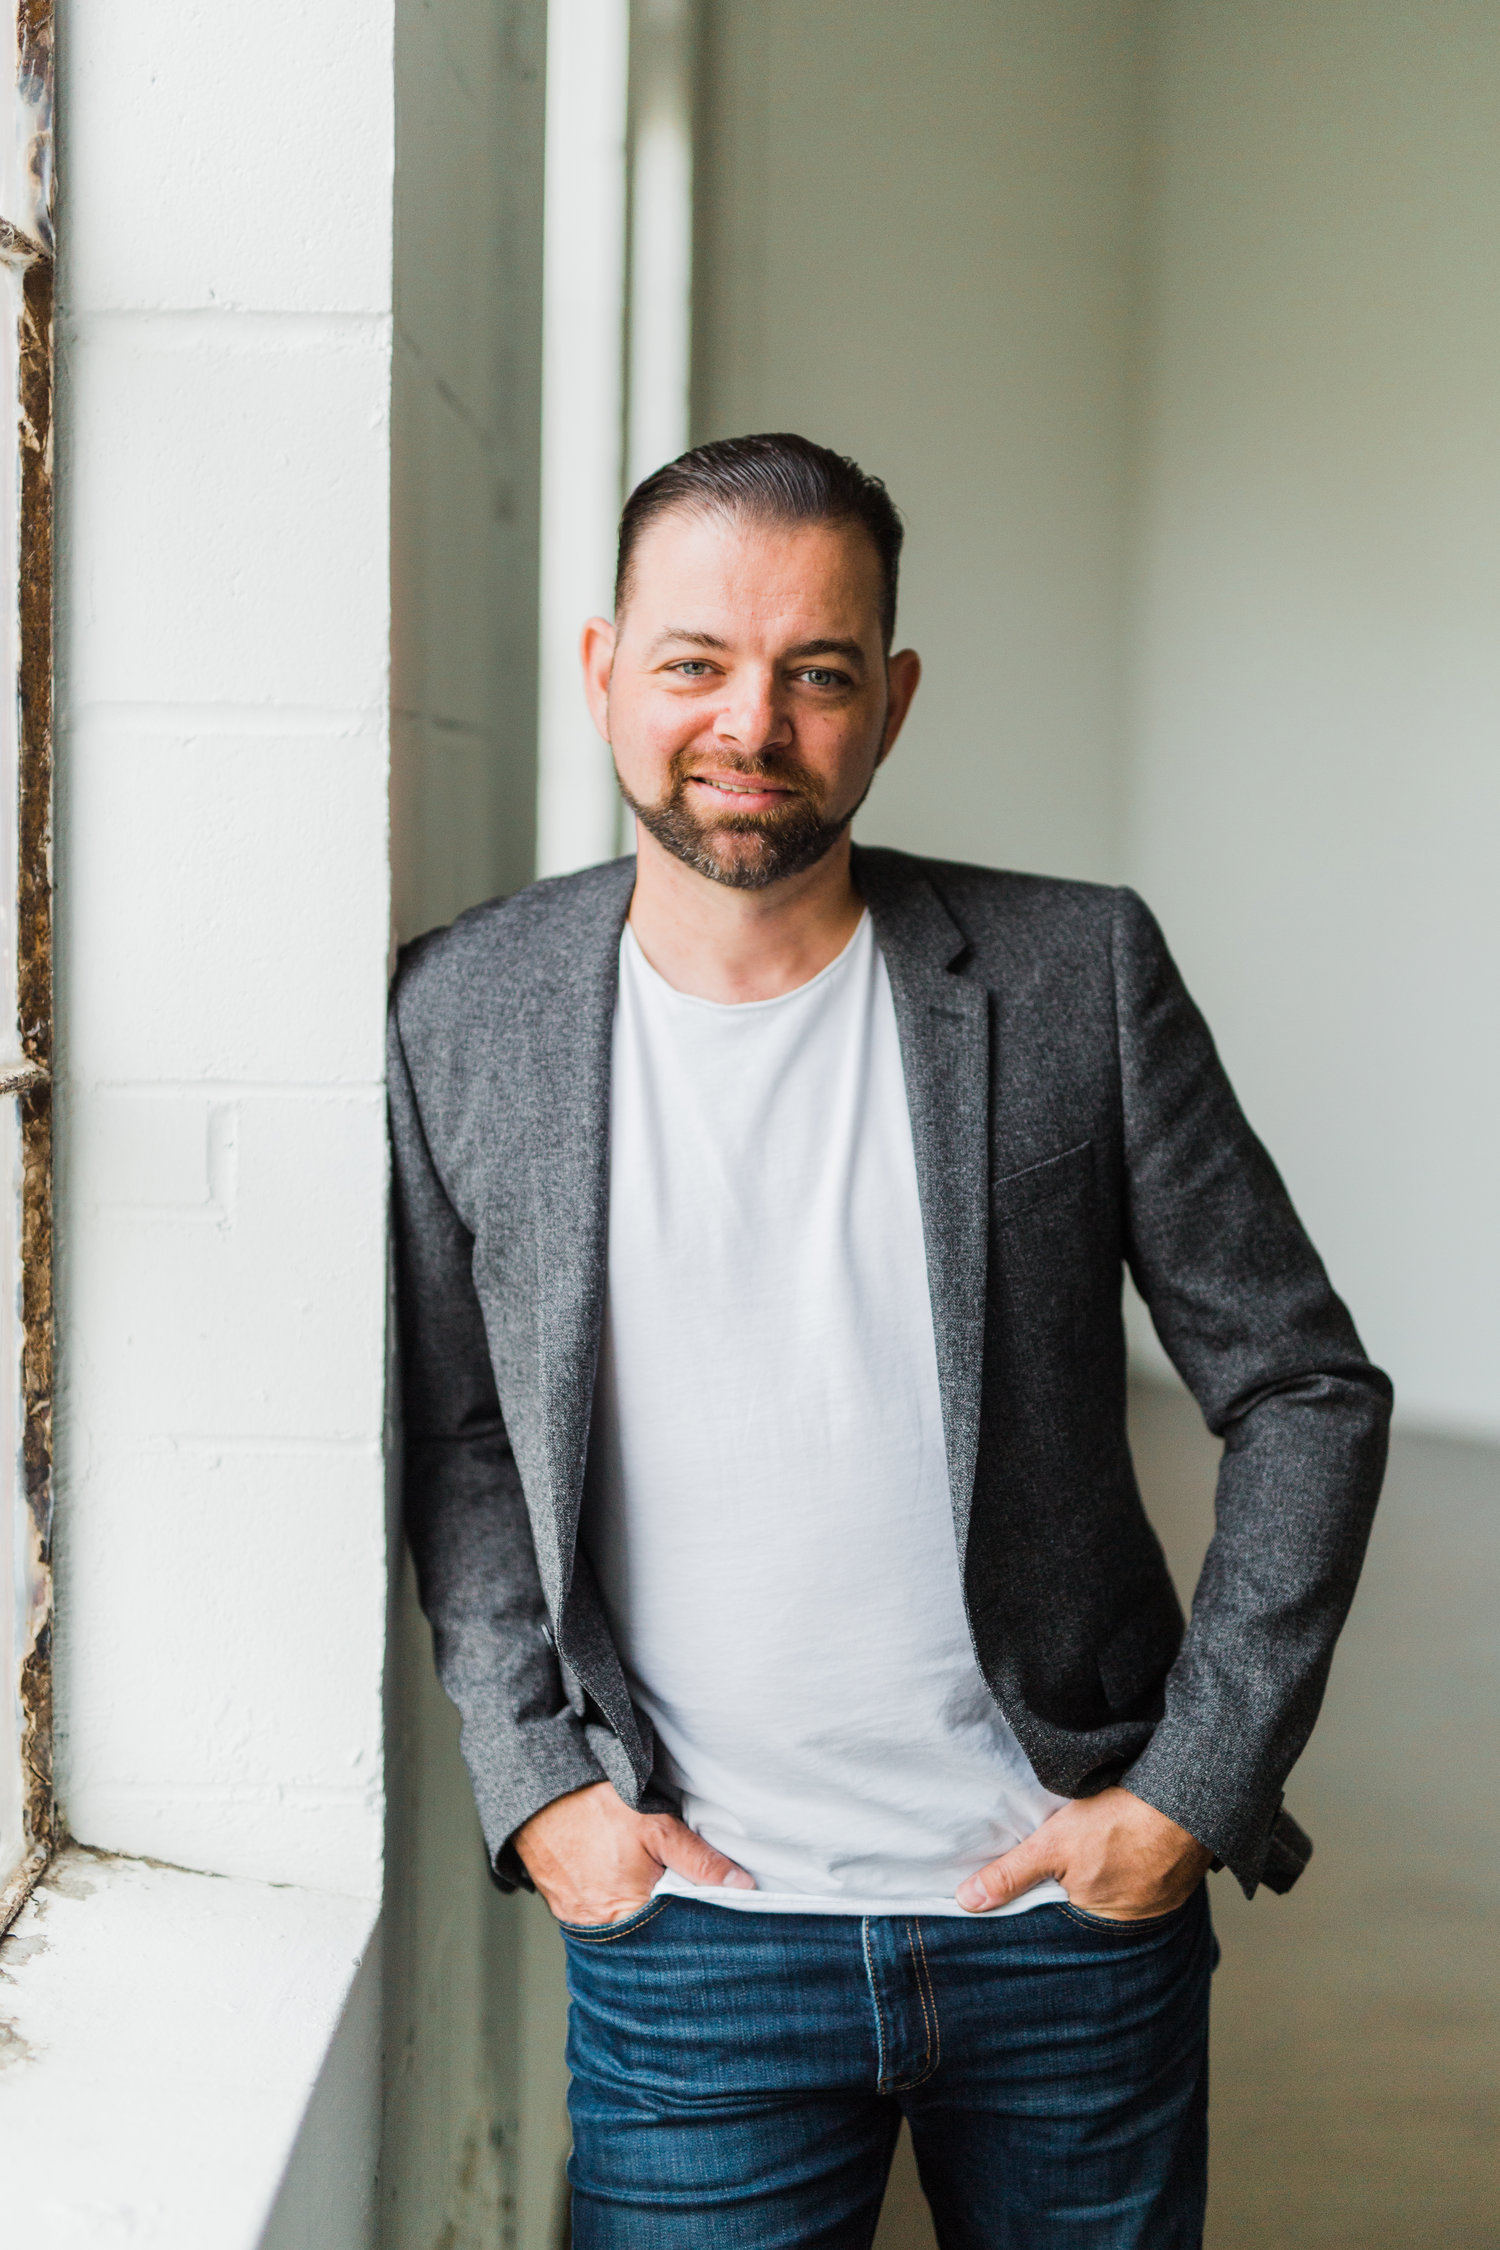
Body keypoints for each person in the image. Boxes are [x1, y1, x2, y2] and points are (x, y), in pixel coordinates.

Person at [389, 432, 1390, 2249]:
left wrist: (1189, 1794)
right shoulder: (461, 1011)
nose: (750, 722)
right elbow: (461, 1438)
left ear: (892, 701)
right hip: (694, 1946)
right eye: (695, 661)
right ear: (607, 668)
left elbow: (1304, 1386)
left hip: (1067, 1924)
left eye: (818, 672)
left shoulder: (1075, 973)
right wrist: (539, 1784)